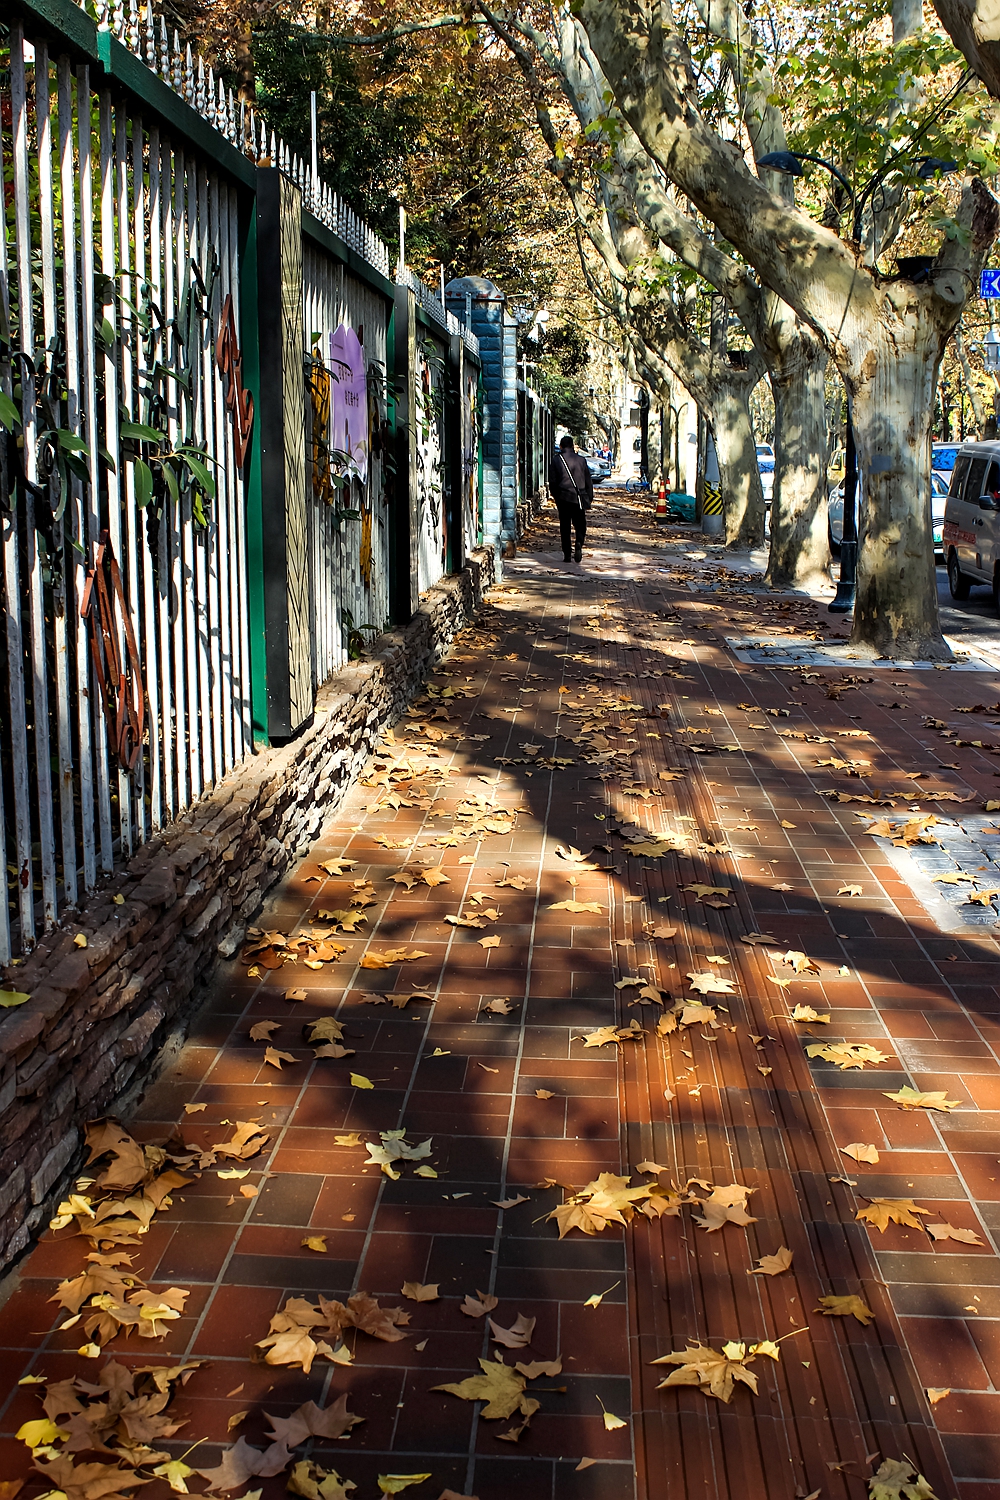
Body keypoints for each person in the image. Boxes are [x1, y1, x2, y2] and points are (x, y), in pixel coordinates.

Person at [548, 434, 593, 563]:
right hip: (579, 497)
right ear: (573, 446)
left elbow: (552, 481)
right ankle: (579, 541)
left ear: (561, 446)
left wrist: (556, 496)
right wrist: (589, 497)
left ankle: (567, 553)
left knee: (565, 526)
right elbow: (588, 480)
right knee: (580, 523)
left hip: (563, 497)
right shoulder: (581, 460)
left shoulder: (556, 460)